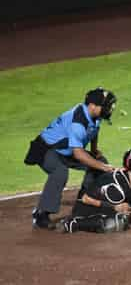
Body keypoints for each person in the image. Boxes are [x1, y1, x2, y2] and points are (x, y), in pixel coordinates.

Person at [24, 87, 117, 229]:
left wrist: (94, 150)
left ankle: (84, 202)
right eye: (105, 106)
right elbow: (78, 154)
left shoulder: (94, 116)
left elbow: (93, 130)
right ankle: (41, 214)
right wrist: (103, 166)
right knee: (60, 172)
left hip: (67, 150)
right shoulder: (78, 121)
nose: (108, 109)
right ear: (92, 106)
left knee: (100, 162)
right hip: (46, 149)